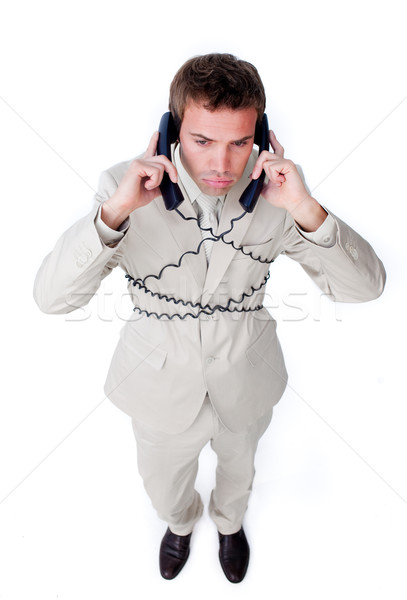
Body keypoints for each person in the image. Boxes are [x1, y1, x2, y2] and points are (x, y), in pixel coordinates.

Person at [34, 53, 386, 583]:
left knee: (239, 469)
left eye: (239, 142)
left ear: (261, 136)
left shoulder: (279, 192)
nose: (223, 163)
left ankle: (229, 523)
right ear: (172, 132)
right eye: (202, 141)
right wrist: (114, 215)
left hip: (246, 378)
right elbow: (51, 298)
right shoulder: (123, 187)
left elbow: (367, 288)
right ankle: (180, 523)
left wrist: (306, 208)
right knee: (162, 480)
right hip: (157, 384)